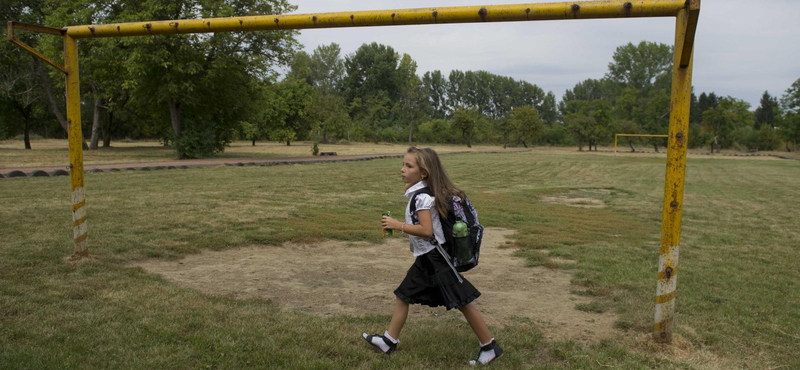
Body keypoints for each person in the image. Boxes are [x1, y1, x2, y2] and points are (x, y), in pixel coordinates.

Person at [362, 147, 503, 366]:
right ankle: (389, 341)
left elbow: (427, 231)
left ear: (424, 173)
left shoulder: (422, 198)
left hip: (436, 259)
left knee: (464, 301)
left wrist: (398, 225)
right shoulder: (420, 192)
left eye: (409, 166)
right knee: (403, 295)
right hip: (427, 259)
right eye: (403, 164)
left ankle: (489, 346)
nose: (402, 169)